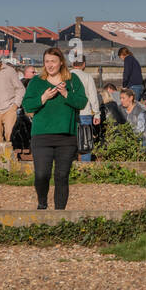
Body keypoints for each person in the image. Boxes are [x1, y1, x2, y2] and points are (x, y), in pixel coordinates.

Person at [21, 47, 86, 210]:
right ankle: (42, 202)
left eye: (53, 61)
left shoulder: (72, 80)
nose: (50, 65)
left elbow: (82, 102)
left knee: (62, 176)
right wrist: (43, 98)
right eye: (47, 61)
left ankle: (59, 213)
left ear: (61, 62)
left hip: (66, 136)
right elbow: (27, 105)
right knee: (42, 175)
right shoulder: (36, 82)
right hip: (41, 136)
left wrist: (66, 94)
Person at [0, 55, 25, 146]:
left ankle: (11, 158)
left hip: (9, 108)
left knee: (10, 136)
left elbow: (20, 89)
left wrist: (16, 105)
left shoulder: (9, 71)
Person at [71, 58, 100, 161]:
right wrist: (96, 114)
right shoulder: (87, 77)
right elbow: (93, 96)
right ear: (83, 64)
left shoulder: (66, 76)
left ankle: (71, 167)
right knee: (86, 142)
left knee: (69, 142)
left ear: (72, 63)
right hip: (85, 112)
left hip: (69, 114)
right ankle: (86, 166)